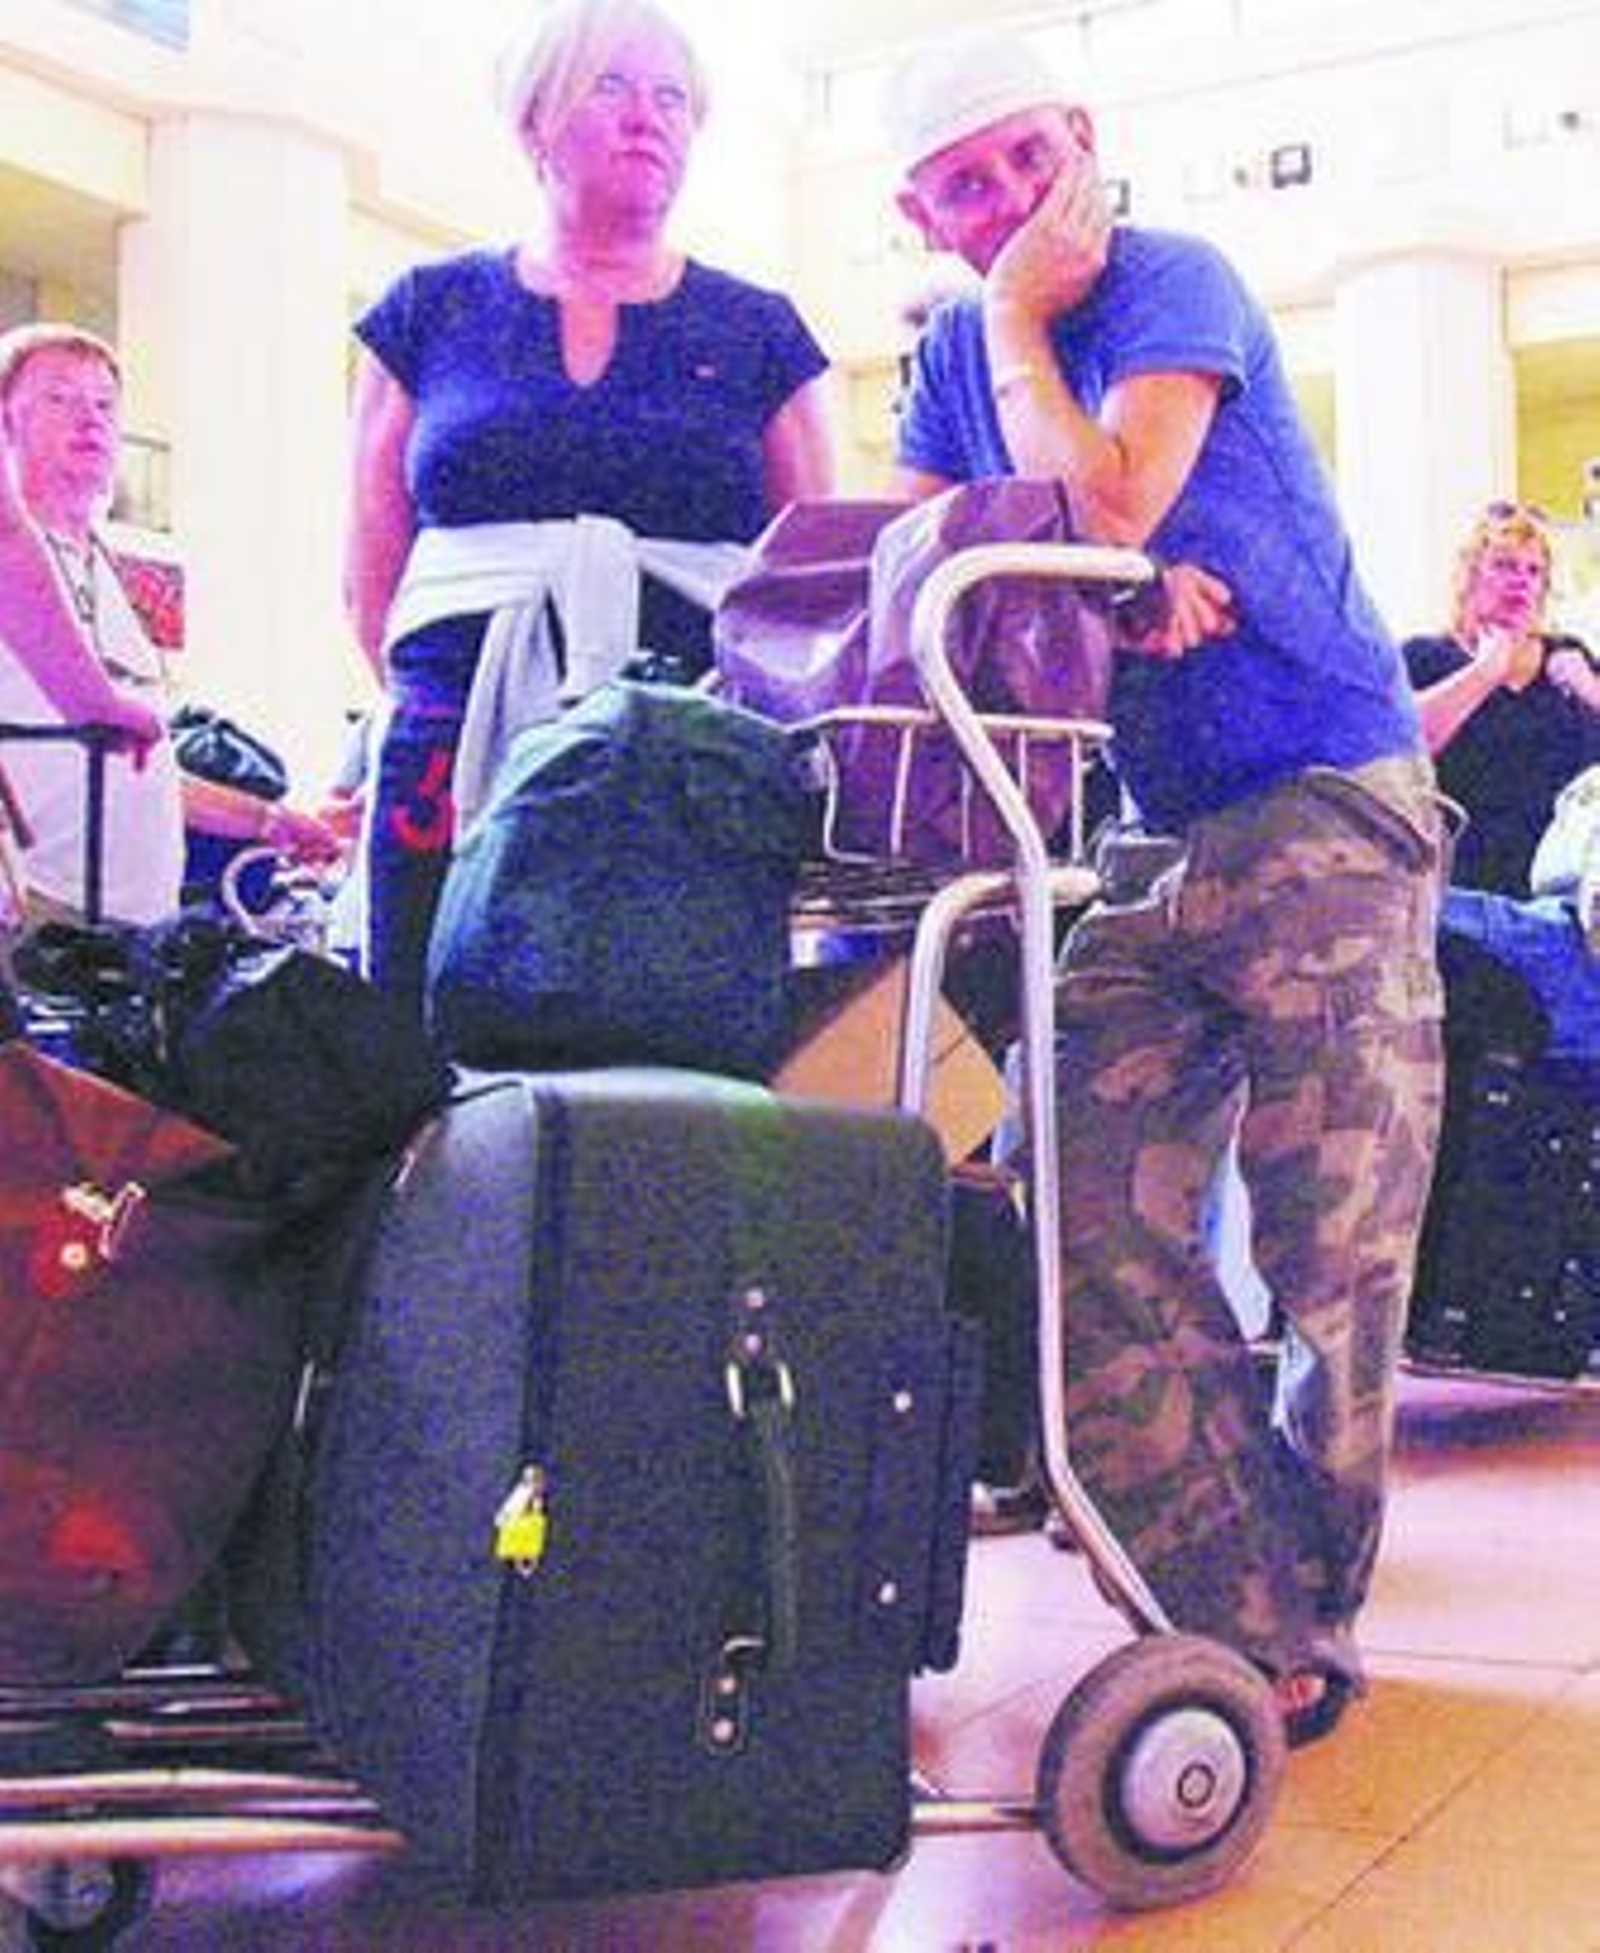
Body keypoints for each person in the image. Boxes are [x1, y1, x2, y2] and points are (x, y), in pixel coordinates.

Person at [883, 30, 1447, 1742]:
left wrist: (1019, 337)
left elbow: (1110, 490)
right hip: (1143, 831)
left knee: (1331, 1246)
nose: (1000, 203)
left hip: (1325, 797)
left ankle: (1301, 1627)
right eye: (961, 185)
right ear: (916, 210)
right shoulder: (942, 356)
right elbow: (942, 556)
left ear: (1082, 148)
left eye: (1021, 162)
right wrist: (1109, 579)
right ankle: (1235, 1596)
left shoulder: (1167, 278)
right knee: (1076, 1194)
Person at [345, 0, 834, 1007]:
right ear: (535, 121)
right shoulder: (427, 312)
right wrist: (428, 699)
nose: (646, 117)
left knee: (663, 1011)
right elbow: (372, 569)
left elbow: (815, 580)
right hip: (450, 733)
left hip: (689, 742)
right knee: (420, 1007)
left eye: (672, 99)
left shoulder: (761, 331)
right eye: (610, 85)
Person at [0, 323, 336, 940]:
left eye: (104, 404)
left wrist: (271, 821)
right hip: (34, 926)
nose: (90, 420)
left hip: (137, 934)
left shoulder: (106, 569)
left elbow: (142, 766)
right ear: (5, 423)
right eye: (59, 398)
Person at [1405, 501, 1600, 896]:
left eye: (1533, 571)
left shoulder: (1569, 657)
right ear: (1469, 576)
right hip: (1461, 895)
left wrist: (1589, 690)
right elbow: (1398, 749)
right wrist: (1484, 673)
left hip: (1566, 895)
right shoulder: (1426, 657)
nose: (1521, 581)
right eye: (1504, 565)